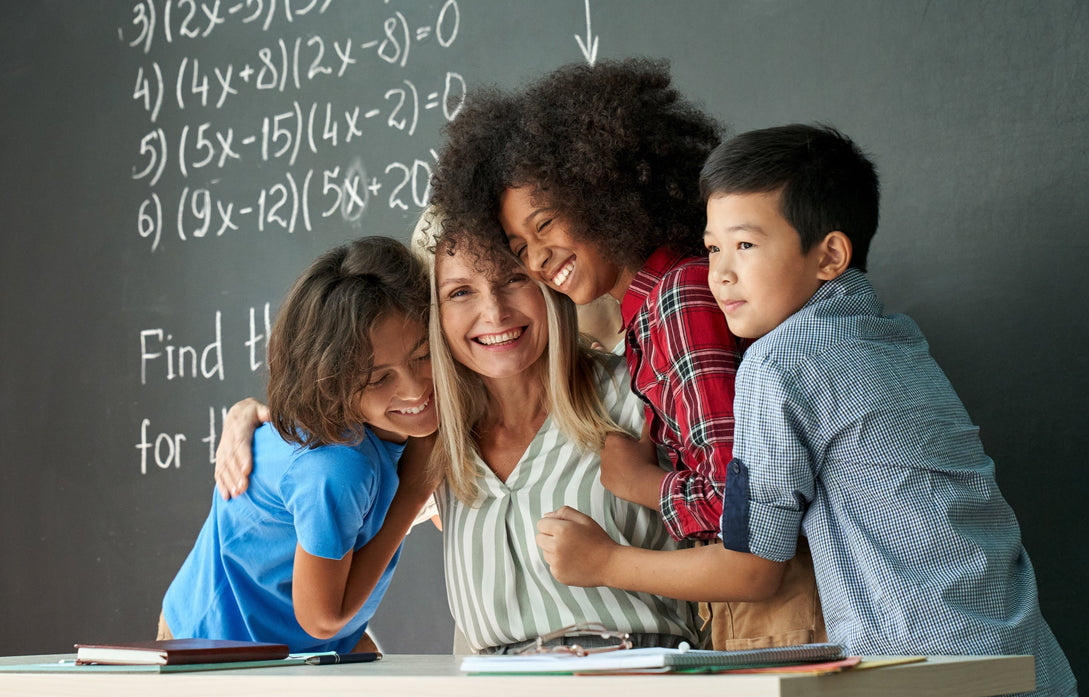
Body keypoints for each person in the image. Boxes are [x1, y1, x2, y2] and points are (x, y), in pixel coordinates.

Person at [535, 124, 1077, 695]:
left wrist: (603, 562)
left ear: (829, 256)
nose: (719, 272)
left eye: (744, 245)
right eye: (713, 246)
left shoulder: (775, 367)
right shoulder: (900, 339)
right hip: (1025, 659)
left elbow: (751, 567)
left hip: (916, 671)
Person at [430, 57, 823, 649]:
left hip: (771, 609)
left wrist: (638, 484)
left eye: (546, 225)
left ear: (602, 192)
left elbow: (733, 511)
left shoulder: (680, 301)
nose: (537, 259)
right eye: (520, 247)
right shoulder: (654, 309)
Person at [216, 209, 700, 655]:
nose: (494, 313)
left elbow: (752, 547)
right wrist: (251, 415)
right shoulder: (434, 438)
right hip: (483, 679)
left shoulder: (641, 390)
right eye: (460, 292)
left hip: (638, 672)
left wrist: (612, 560)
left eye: (514, 278)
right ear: (433, 314)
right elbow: (323, 409)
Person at [161, 237, 440, 654]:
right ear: (335, 383)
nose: (415, 387)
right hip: (217, 641)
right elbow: (322, 619)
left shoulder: (406, 426)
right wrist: (416, 490)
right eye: (380, 378)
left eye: (423, 356)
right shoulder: (338, 466)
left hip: (293, 631)